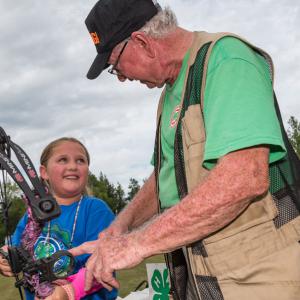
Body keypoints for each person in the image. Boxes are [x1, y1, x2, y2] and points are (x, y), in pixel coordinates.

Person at [70, 0, 300, 299]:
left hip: (264, 278)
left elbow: (244, 178)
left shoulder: (226, 60)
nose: (123, 78)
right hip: (207, 281)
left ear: (141, 42)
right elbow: (163, 178)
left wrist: (137, 244)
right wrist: (119, 229)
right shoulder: (168, 98)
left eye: (115, 67)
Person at [0, 137, 117, 300]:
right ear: (44, 172)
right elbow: (15, 248)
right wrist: (5, 258)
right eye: (63, 160)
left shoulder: (95, 209)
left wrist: (67, 291)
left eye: (80, 161)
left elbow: (105, 260)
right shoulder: (34, 214)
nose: (72, 166)